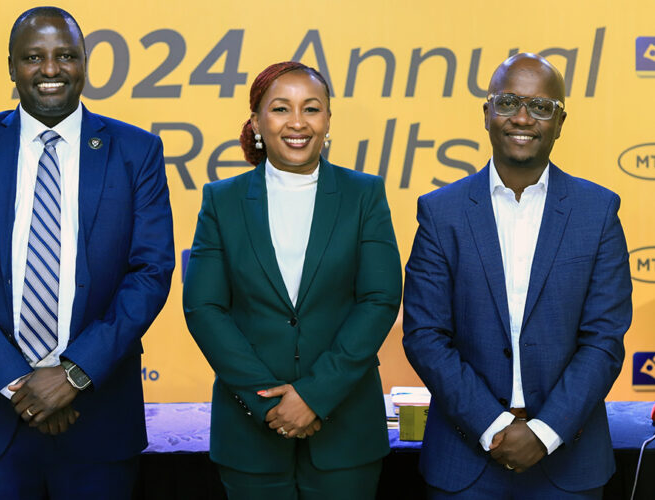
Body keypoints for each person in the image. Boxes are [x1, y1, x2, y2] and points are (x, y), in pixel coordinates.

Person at [0, 7, 174, 499]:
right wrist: (19, 383)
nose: (51, 69)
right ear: (11, 66)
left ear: (84, 63)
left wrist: (73, 374)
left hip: (98, 416)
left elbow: (151, 271)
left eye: (66, 56)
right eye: (34, 57)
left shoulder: (136, 150)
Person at [402, 53, 633, 499]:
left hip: (569, 462)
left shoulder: (598, 211)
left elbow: (604, 339)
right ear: (487, 113)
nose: (523, 118)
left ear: (560, 122)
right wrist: (492, 426)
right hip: (464, 461)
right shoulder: (440, 213)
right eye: (508, 102)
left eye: (541, 107)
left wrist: (545, 432)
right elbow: (425, 335)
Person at [182, 61, 402, 499]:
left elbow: (379, 299)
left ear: (328, 120)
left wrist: (315, 396)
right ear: (256, 122)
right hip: (250, 436)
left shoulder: (364, 195)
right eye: (281, 109)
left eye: (311, 109)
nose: (297, 122)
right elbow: (203, 308)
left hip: (347, 432)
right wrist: (269, 402)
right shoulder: (221, 201)